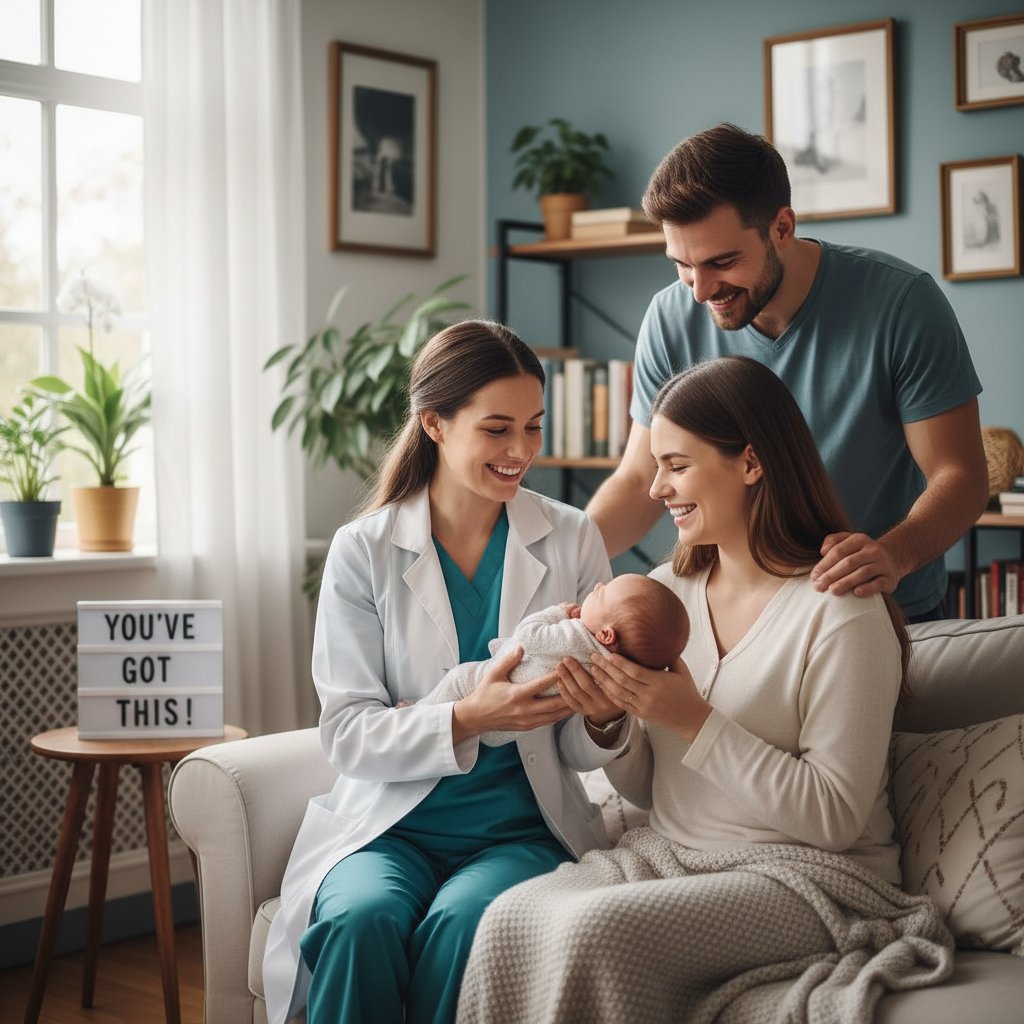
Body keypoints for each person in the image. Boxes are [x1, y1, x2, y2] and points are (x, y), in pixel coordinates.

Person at [456, 357, 954, 1023]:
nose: (656, 487)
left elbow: (834, 816)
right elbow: (657, 791)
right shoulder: (660, 594)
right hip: (670, 855)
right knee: (509, 917)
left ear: (751, 463)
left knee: (595, 933)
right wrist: (612, 722)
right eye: (656, 465)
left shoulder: (840, 614)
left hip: (807, 879)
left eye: (677, 464)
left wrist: (694, 719)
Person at [262, 320, 631, 1024]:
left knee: (466, 926)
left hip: (522, 829)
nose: (521, 450)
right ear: (434, 421)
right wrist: (468, 718)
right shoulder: (363, 551)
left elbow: (579, 750)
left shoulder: (572, 536)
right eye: (497, 429)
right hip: (389, 827)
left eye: (533, 426)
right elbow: (346, 733)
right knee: (358, 919)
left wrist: (605, 714)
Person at [586, 122, 988, 622]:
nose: (700, 291)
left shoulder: (901, 303)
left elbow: (961, 476)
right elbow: (638, 480)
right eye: (682, 265)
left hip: (877, 611)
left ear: (782, 227)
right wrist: (565, 556)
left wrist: (892, 555)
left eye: (722, 261)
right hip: (739, 620)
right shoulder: (670, 317)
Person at [418, 574, 689, 745]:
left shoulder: (577, 635)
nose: (597, 585)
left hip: (480, 691)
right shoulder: (605, 668)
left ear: (606, 635)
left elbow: (527, 636)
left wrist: (556, 613)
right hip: (509, 731)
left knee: (456, 678)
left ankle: (417, 714)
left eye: (602, 593)